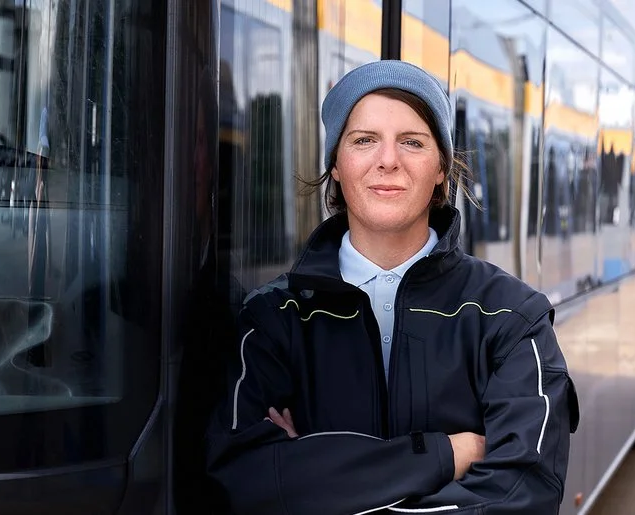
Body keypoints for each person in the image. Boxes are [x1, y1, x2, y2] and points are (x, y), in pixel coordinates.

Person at [206, 60, 579, 514]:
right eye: (364, 140)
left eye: (412, 142)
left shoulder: (512, 316)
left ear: (441, 168)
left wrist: (312, 476)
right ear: (336, 166)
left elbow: (525, 495)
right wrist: (448, 455)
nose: (388, 160)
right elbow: (243, 482)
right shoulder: (271, 318)